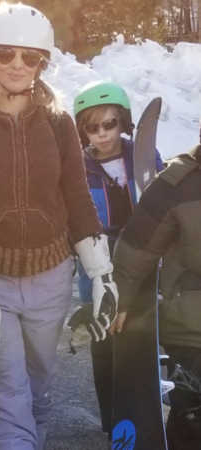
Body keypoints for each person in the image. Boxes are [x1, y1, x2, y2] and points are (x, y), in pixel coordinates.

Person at [0, 4, 119, 449]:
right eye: (5, 54)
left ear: (43, 64)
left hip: (51, 276)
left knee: (38, 378)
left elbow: (76, 197)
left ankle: (31, 431)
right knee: (8, 382)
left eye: (30, 57)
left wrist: (101, 274)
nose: (17, 64)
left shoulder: (58, 126)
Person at [72, 81, 164, 438]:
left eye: (109, 124)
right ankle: (112, 417)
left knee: (139, 333)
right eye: (93, 128)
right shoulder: (78, 167)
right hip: (96, 259)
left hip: (139, 257)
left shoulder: (139, 155)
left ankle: (140, 406)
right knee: (104, 336)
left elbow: (159, 195)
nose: (102, 134)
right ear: (83, 131)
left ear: (122, 122)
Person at [111, 131, 201, 449]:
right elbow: (137, 247)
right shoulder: (178, 183)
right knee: (192, 423)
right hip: (192, 326)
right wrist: (121, 302)